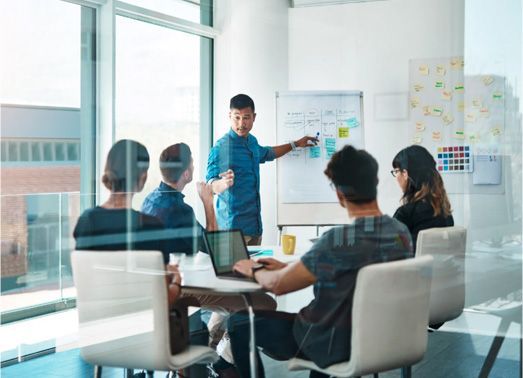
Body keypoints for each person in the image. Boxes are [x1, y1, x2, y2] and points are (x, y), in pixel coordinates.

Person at [226, 145, 414, 378]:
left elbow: (278, 285)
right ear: (375, 182)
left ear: (339, 194)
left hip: (330, 341)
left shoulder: (340, 240)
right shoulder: (400, 232)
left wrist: (253, 269)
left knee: (238, 323)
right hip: (379, 336)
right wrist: (288, 268)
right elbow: (352, 273)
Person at [206, 93, 318, 245]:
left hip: (255, 228)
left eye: (246, 117)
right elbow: (210, 185)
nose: (241, 123)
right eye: (236, 117)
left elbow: (268, 153)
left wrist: (296, 144)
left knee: (256, 269)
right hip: (231, 231)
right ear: (229, 116)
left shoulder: (252, 142)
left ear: (254, 117)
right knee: (234, 270)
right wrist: (223, 184)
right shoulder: (221, 147)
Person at [142, 143, 218, 254]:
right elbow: (213, 247)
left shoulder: (148, 199)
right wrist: (208, 202)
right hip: (177, 269)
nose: (194, 167)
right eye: (192, 164)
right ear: (186, 174)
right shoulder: (180, 211)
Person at [391, 145, 454, 252]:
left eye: (396, 171)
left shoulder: (405, 214)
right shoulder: (445, 213)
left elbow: (391, 253)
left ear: (405, 173)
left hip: (414, 268)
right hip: (441, 268)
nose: (396, 176)